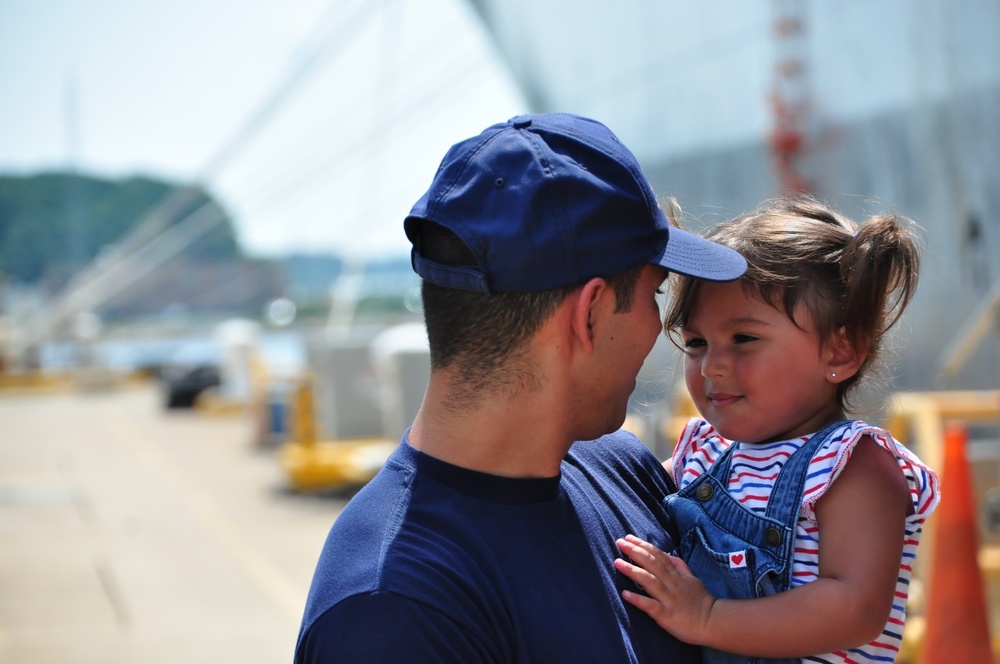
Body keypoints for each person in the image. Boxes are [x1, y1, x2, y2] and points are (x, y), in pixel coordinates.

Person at [294, 112, 747, 663]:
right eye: (655, 295)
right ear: (590, 313)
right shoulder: (390, 617)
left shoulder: (621, 465)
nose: (661, 330)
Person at [613, 197, 940, 664]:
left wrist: (707, 617)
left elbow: (856, 608)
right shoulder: (701, 452)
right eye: (697, 342)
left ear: (840, 354)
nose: (713, 366)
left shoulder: (852, 464)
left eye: (744, 338)